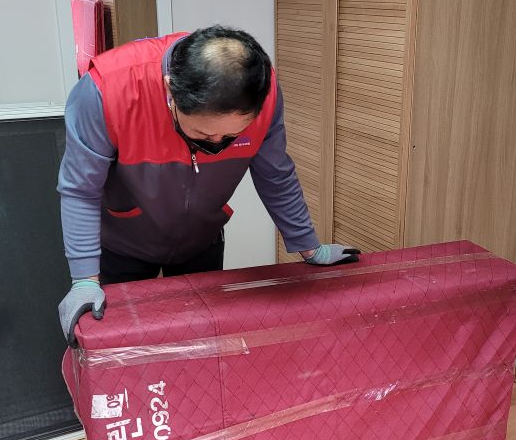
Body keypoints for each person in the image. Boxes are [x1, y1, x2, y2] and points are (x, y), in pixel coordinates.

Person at [57, 25, 359, 344]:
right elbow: (80, 189)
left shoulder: (262, 93)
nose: (216, 143)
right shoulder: (107, 90)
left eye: (231, 136)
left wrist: (309, 245)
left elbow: (276, 175)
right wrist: (84, 280)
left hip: (202, 239)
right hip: (124, 242)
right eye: (202, 134)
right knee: (124, 344)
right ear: (170, 91)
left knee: (201, 340)